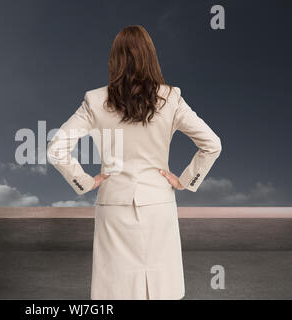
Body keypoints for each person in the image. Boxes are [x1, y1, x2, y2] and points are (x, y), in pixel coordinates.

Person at [46, 25, 222, 300]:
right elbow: (212, 144)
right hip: (158, 204)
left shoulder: (95, 100)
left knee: (115, 290)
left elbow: (56, 149)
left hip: (113, 204)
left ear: (114, 59)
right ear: (151, 57)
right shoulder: (171, 98)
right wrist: (185, 180)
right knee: (161, 288)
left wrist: (85, 181)